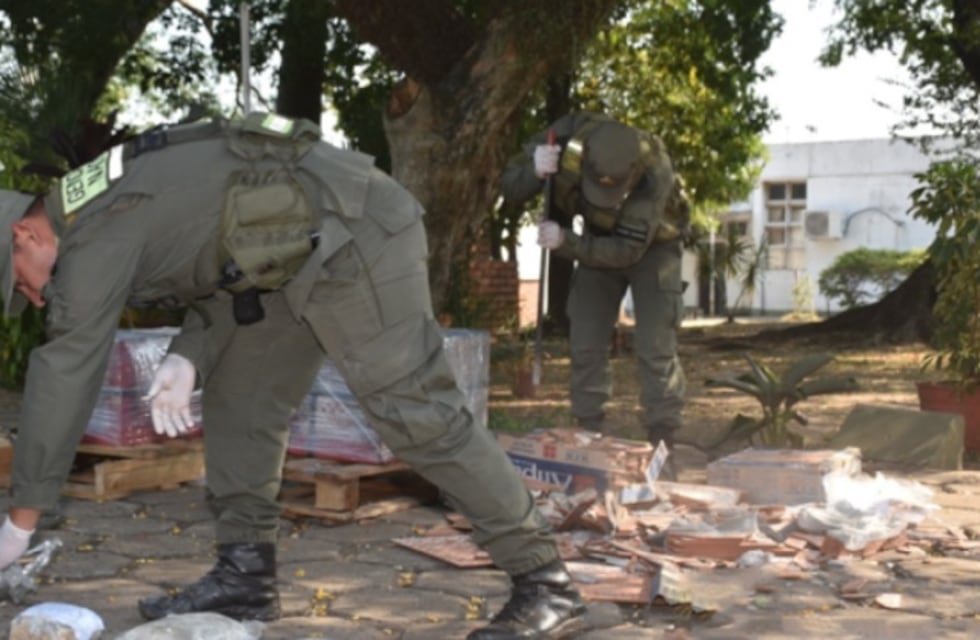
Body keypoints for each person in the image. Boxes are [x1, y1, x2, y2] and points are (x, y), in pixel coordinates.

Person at [0, 112, 587, 639]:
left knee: (416, 414)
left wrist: (20, 523)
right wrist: (189, 355)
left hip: (353, 231)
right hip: (284, 257)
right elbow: (216, 251)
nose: (37, 298)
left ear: (24, 234)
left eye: (22, 282)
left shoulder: (93, 231)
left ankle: (545, 581)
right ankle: (245, 574)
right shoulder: (92, 205)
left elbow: (66, 368)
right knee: (242, 399)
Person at [501, 112, 690, 450]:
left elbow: (627, 251)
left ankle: (663, 438)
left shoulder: (655, 170)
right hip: (596, 239)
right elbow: (509, 186)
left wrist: (566, 242)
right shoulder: (564, 138)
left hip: (654, 248)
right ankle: (588, 433)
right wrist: (534, 170)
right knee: (586, 336)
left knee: (655, 343)